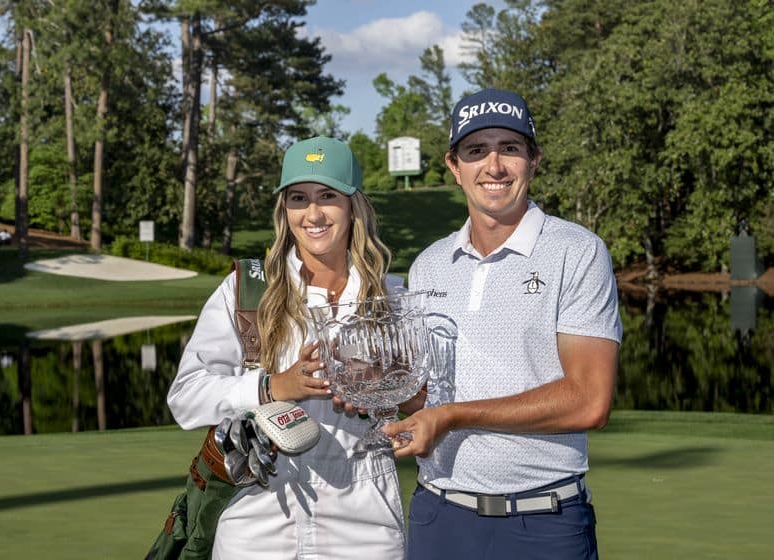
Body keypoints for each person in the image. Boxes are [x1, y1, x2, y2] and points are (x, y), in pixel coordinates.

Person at [384, 88, 623, 559]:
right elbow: (428, 397)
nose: (493, 166)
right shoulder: (429, 264)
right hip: (438, 515)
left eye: (509, 148)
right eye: (476, 151)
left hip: (543, 521)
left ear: (533, 161)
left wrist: (454, 415)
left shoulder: (577, 251)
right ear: (455, 167)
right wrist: (383, 384)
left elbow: (589, 401)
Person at [167, 136, 406, 559]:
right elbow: (185, 398)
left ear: (354, 206)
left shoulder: (393, 297)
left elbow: (434, 399)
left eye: (328, 196)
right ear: (285, 210)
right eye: (298, 198)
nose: (313, 213)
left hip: (365, 514)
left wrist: (388, 387)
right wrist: (272, 387)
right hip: (257, 511)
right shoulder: (246, 288)